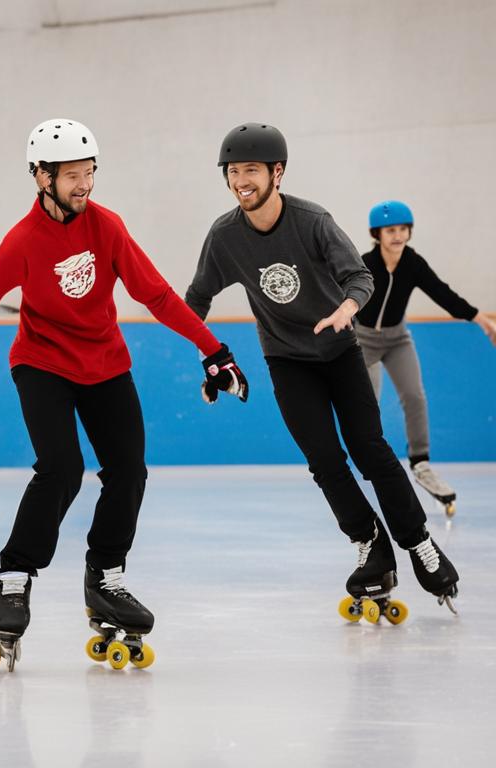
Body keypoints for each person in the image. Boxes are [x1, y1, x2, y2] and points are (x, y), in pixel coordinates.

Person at [0, 119, 245, 671]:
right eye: (72, 175)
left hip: (106, 363)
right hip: (41, 364)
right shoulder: (23, 239)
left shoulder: (107, 226)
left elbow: (154, 293)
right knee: (61, 469)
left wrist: (213, 350)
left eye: (89, 172)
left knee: (129, 471)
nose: (84, 184)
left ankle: (105, 579)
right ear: (41, 177)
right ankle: (14, 578)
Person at [184, 123, 460, 622]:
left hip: (339, 352)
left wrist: (346, 310)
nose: (240, 180)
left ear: (277, 173)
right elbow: (197, 297)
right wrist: (208, 356)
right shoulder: (225, 237)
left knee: (370, 450)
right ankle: (370, 544)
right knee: (324, 462)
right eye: (232, 171)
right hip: (287, 362)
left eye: (250, 170)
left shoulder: (312, 220)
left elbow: (359, 275)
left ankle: (419, 543)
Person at [355, 200, 496, 516]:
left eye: (403, 229)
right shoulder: (365, 264)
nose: (398, 236)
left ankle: (420, 463)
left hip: (397, 339)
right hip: (363, 340)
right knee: (369, 401)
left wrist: (483, 321)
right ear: (377, 234)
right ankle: (373, 460)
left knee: (415, 397)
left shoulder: (413, 263)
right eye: (391, 230)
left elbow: (443, 294)